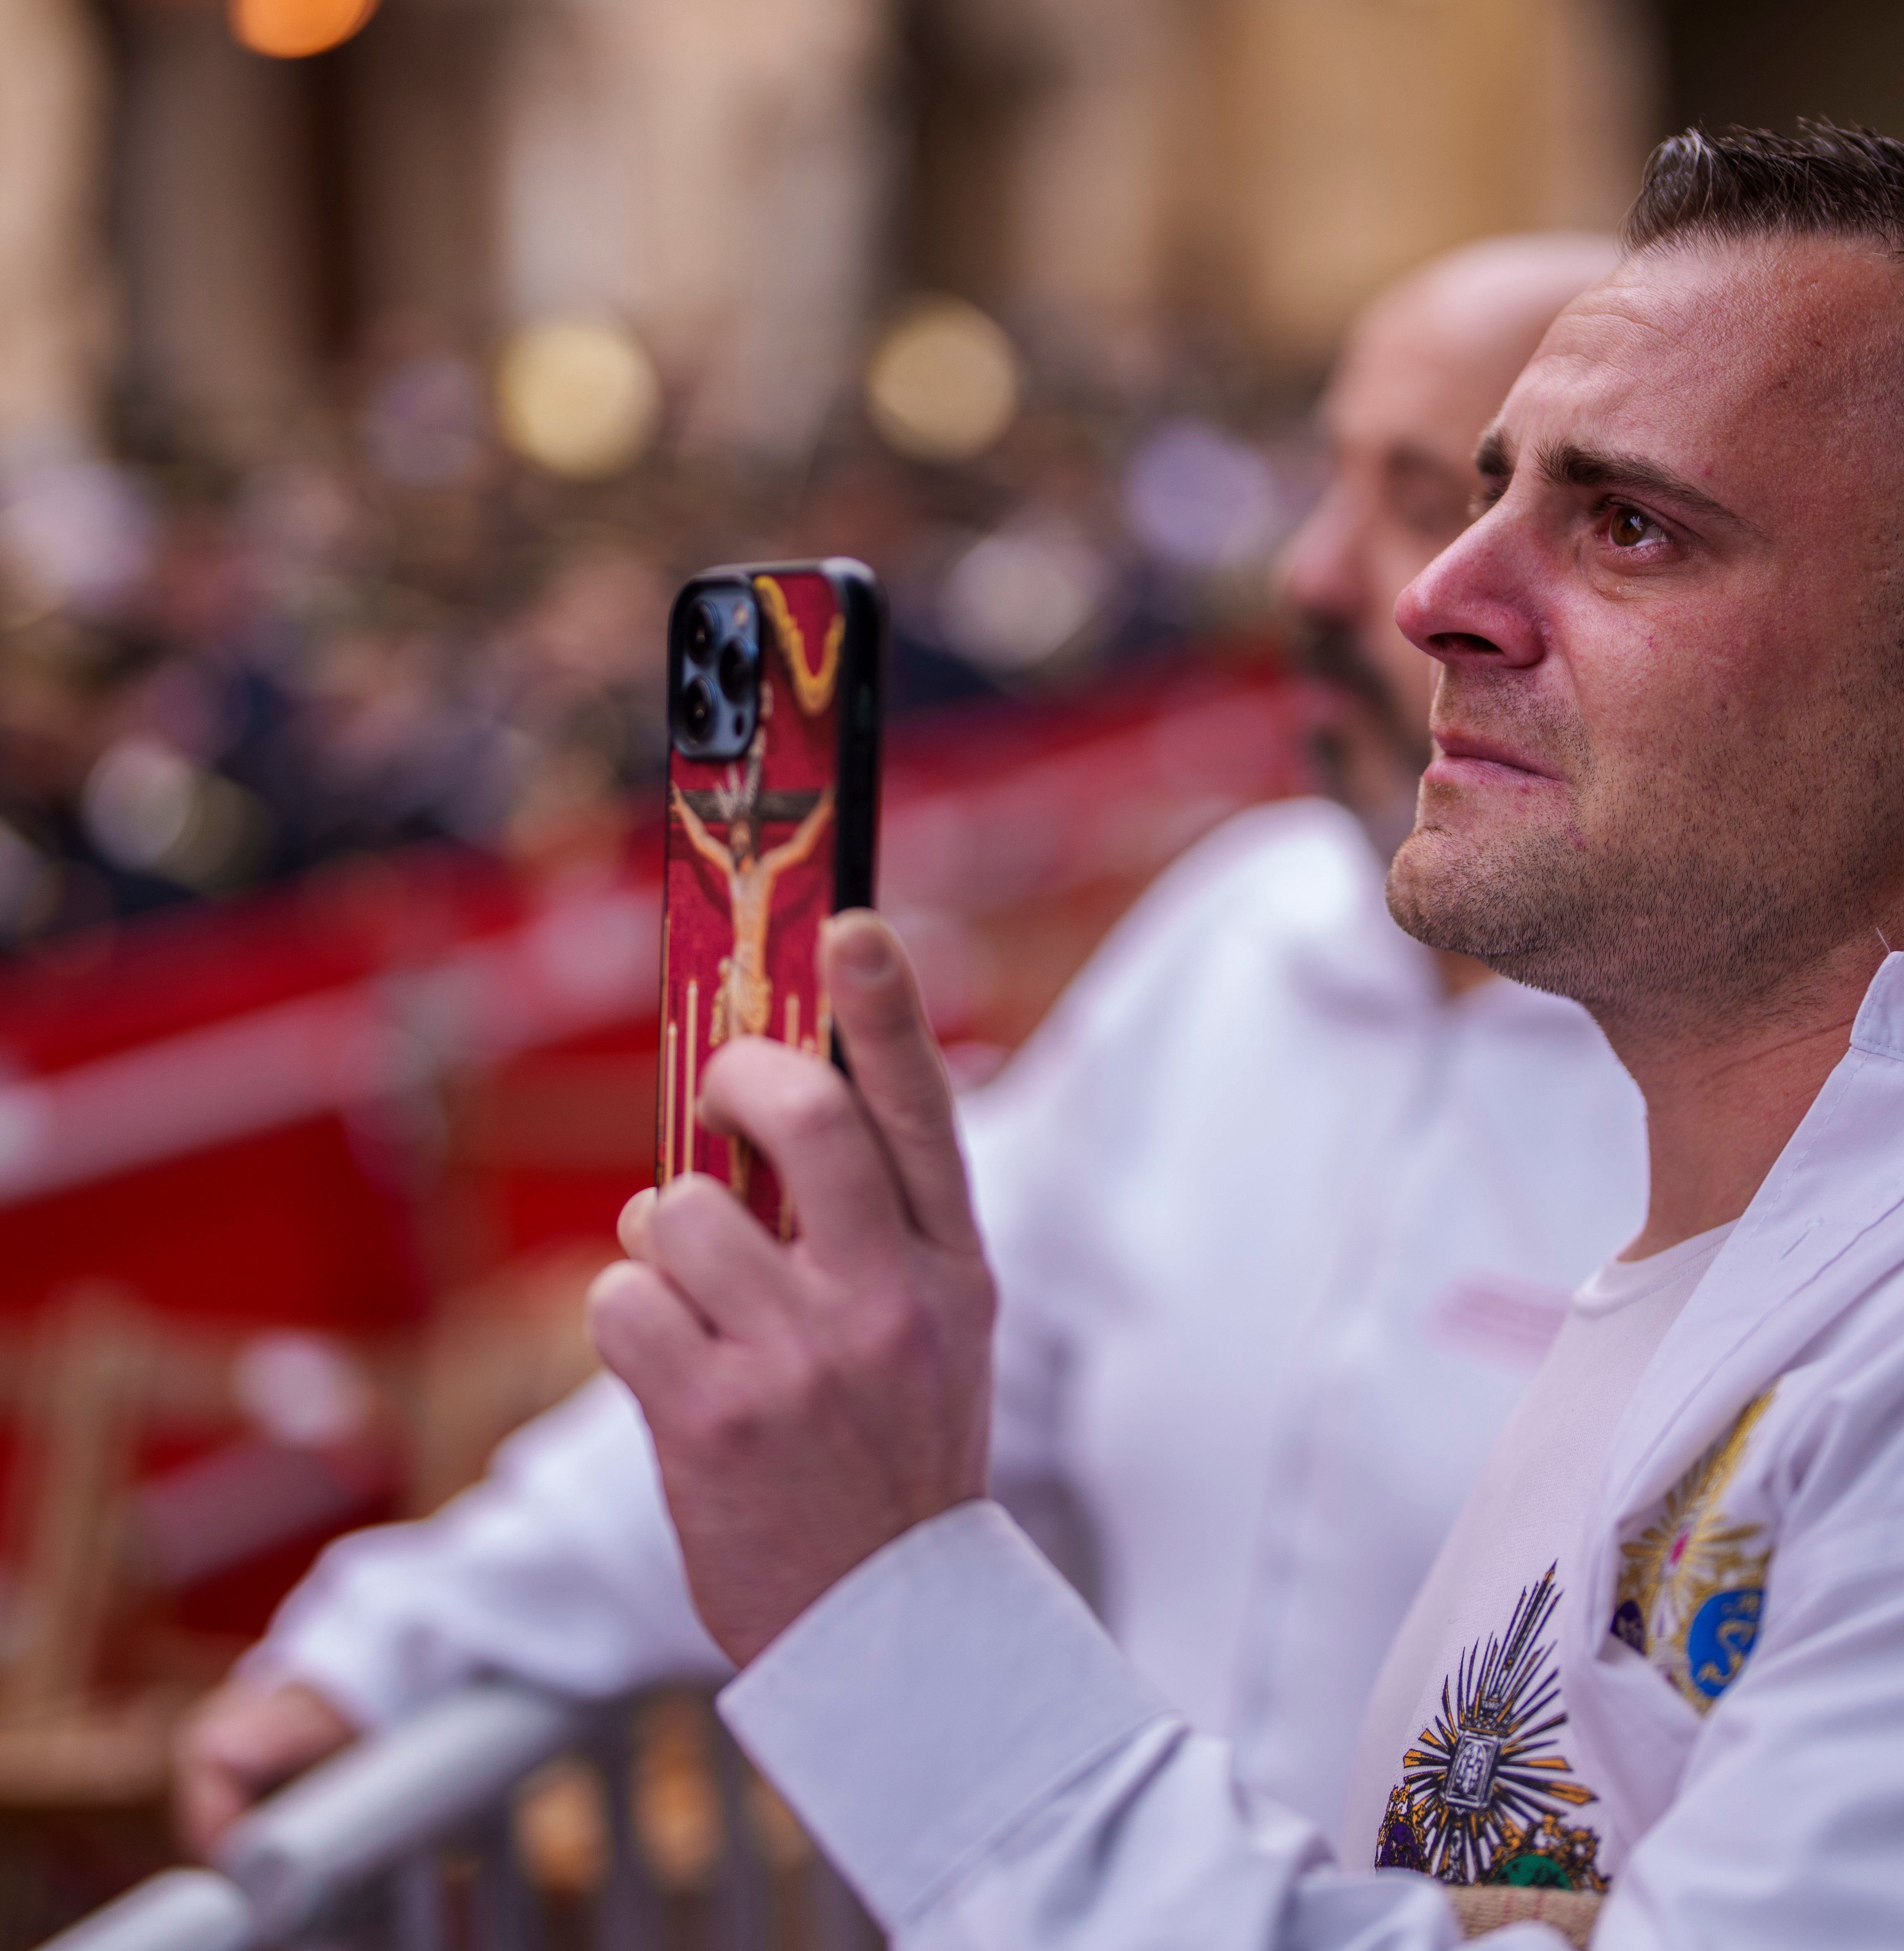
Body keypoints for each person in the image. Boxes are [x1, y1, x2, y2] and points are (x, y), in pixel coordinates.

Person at [592, 128, 1904, 1947]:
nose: (1434, 602)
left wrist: (893, 1597)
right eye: (1482, 498)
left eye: (1628, 525)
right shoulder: (1790, 1272)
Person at [171, 236, 1654, 1852]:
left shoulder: (1737, 1073)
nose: (1317, 574)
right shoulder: (1233, 946)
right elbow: (827, 1358)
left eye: (1424, 496)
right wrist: (382, 1655)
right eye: (1335, 482)